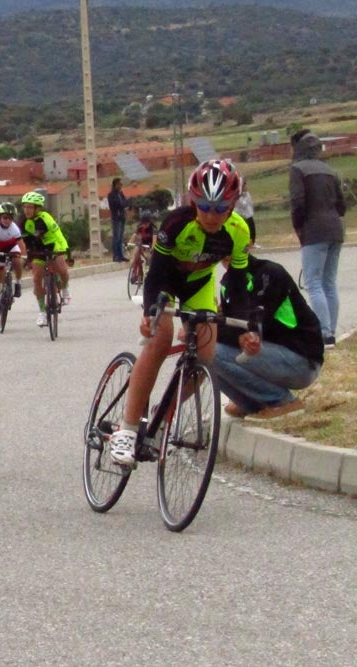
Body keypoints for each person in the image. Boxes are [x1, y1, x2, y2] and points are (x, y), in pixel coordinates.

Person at [108, 159, 252, 468]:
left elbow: (237, 285)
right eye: (204, 207)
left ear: (233, 205)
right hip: (167, 283)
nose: (211, 216)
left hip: (198, 286)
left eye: (220, 208)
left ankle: (162, 418)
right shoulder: (176, 223)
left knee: (205, 355)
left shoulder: (239, 232)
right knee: (161, 339)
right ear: (192, 201)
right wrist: (151, 313)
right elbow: (157, 273)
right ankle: (128, 428)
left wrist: (246, 328)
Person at [212, 249, 323, 420]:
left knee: (212, 350)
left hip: (301, 359)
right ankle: (253, 405)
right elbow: (232, 327)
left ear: (248, 244)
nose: (226, 253)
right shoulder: (227, 283)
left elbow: (255, 326)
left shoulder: (268, 273)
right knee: (204, 350)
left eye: (232, 244)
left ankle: (281, 401)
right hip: (269, 354)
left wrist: (213, 326)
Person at [290, 130, 347, 348]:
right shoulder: (330, 170)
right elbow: (342, 205)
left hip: (313, 230)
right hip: (336, 229)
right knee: (329, 282)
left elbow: (298, 202)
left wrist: (299, 227)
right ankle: (331, 330)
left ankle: (324, 334)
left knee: (313, 283)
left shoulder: (297, 170)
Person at [20, 190, 71, 327]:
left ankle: (65, 289)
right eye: (25, 207)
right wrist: (27, 257)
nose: (27, 210)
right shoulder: (24, 222)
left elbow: (58, 233)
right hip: (37, 250)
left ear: (38, 208)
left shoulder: (45, 218)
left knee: (62, 269)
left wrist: (65, 249)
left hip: (53, 246)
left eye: (30, 207)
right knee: (37, 278)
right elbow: (25, 242)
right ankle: (42, 312)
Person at [0, 201, 26, 320]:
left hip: (12, 246)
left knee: (17, 261)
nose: (7, 220)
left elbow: (21, 244)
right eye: (5, 217)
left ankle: (18, 282)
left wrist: (24, 256)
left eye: (10, 218)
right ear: (0, 217)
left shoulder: (14, 229)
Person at [127, 210, 157, 284]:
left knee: (149, 257)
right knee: (136, 249)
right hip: (142, 246)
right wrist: (129, 245)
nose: (144, 224)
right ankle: (135, 272)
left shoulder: (154, 229)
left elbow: (154, 242)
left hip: (149, 247)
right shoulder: (140, 228)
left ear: (150, 221)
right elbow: (134, 237)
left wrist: (152, 249)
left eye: (146, 222)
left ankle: (148, 273)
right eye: (143, 222)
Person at [108, 177, 129, 262]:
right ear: (115, 185)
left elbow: (125, 203)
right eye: (120, 184)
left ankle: (121, 255)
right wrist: (122, 204)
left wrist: (123, 204)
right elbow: (116, 205)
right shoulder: (111, 195)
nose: (121, 186)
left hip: (122, 218)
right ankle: (116, 256)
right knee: (116, 237)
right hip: (116, 218)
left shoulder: (121, 194)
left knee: (121, 237)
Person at [234, 179, 255, 244]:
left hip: (248, 214)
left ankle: (252, 243)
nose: (246, 187)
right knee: (245, 231)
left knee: (252, 230)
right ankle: (245, 244)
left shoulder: (247, 194)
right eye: (245, 185)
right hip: (241, 216)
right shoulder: (238, 196)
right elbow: (243, 204)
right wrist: (243, 196)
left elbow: (250, 203)